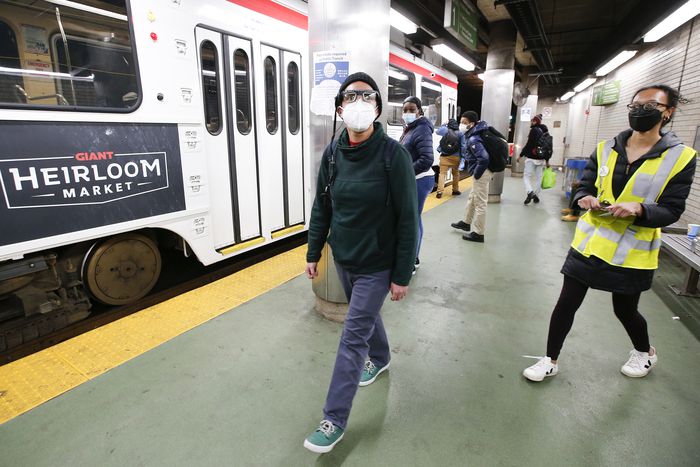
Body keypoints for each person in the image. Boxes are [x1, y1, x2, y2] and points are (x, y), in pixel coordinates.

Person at [523, 84, 696, 382]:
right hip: (589, 244)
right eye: (636, 105)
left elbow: (671, 209)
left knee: (625, 310)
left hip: (631, 251)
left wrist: (639, 210)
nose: (641, 110)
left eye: (651, 105)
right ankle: (550, 359)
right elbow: (585, 187)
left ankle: (645, 352)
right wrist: (584, 199)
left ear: (668, 112)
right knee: (566, 304)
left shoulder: (681, 157)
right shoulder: (606, 148)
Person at [303, 72, 419, 453]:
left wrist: (401, 275)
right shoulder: (334, 154)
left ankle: (333, 419)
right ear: (340, 109)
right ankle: (382, 357)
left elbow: (408, 219)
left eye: (366, 97)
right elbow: (323, 206)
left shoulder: (393, 156)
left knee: (352, 336)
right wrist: (313, 251)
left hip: (378, 263)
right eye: (350, 98)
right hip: (344, 257)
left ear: (377, 108)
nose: (358, 104)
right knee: (363, 314)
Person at [399, 96, 435, 273]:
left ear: (419, 111)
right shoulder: (410, 128)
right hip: (415, 179)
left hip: (420, 179)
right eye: (405, 110)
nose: (407, 113)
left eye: (411, 109)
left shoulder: (421, 129)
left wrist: (405, 173)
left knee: (412, 220)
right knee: (415, 218)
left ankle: (413, 260)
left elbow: (427, 159)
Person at [450, 111, 493, 243]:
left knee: (480, 203)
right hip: (482, 171)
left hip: (483, 171)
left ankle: (479, 234)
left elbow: (484, 159)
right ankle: (466, 222)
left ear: (471, 124)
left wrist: (477, 174)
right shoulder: (474, 133)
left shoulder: (474, 138)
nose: (461, 125)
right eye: (461, 122)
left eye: (464, 123)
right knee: (472, 198)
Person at [518, 114, 551, 204]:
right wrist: (547, 160)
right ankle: (536, 195)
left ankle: (530, 192)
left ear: (535, 121)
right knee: (539, 178)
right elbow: (548, 147)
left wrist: (521, 155)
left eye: (532, 121)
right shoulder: (545, 132)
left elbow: (529, 144)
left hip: (531, 158)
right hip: (541, 158)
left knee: (526, 176)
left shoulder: (534, 130)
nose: (531, 122)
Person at [435, 117, 466, 198]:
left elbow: (437, 132)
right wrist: (462, 158)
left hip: (444, 156)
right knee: (455, 174)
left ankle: (439, 192)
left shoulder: (445, 130)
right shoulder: (460, 133)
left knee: (442, 174)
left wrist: (444, 123)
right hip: (456, 157)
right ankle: (455, 190)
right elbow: (463, 146)